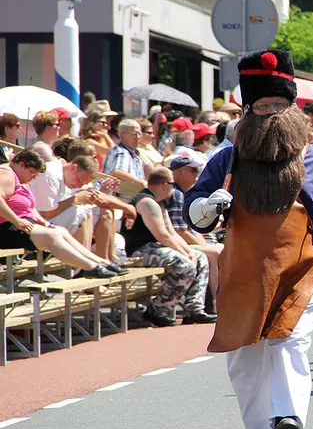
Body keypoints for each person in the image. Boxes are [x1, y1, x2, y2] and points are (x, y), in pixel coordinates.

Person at [184, 48, 313, 429]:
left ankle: (289, 419)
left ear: (293, 108)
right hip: (243, 277)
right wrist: (208, 206)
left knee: (291, 342)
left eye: (279, 105)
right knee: (245, 362)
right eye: (263, 106)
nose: (271, 114)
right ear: (248, 110)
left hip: (300, 273)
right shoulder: (226, 160)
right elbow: (192, 208)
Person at [0, 149, 118, 277]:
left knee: (60, 231)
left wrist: (41, 220)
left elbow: (29, 207)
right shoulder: (7, 175)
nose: (33, 177)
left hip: (21, 224)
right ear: (22, 164)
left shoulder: (21, 179)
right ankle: (89, 267)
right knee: (51, 236)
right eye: (32, 173)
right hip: (7, 228)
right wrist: (17, 220)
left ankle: (100, 262)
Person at [122, 166, 214, 327]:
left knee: (200, 257)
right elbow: (161, 235)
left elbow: (171, 234)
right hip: (139, 250)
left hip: (157, 247)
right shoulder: (146, 201)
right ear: (164, 184)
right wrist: (185, 255)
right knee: (184, 265)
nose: (174, 187)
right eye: (172, 183)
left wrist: (189, 251)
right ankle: (157, 310)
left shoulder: (160, 203)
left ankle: (194, 309)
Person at [167, 154, 223, 311]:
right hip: (173, 244)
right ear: (179, 173)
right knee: (214, 253)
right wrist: (203, 245)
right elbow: (179, 231)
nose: (197, 173)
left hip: (186, 242)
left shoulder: (189, 192)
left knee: (219, 249)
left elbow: (192, 229)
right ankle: (217, 305)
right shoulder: (175, 193)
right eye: (192, 170)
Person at [103, 119, 147, 200]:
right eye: (134, 134)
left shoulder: (135, 154)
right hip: (119, 200)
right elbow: (117, 172)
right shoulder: (122, 152)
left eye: (139, 134)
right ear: (122, 136)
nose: (137, 138)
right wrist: (139, 182)